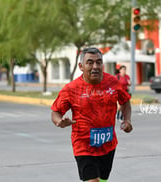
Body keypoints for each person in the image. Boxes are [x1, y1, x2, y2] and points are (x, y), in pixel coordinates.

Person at [51, 47, 133, 182]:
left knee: (102, 180)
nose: (95, 66)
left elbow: (125, 101)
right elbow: (55, 112)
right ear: (81, 66)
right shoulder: (71, 89)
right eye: (90, 62)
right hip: (84, 145)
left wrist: (127, 120)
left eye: (99, 62)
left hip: (108, 144)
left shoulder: (113, 82)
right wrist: (59, 121)